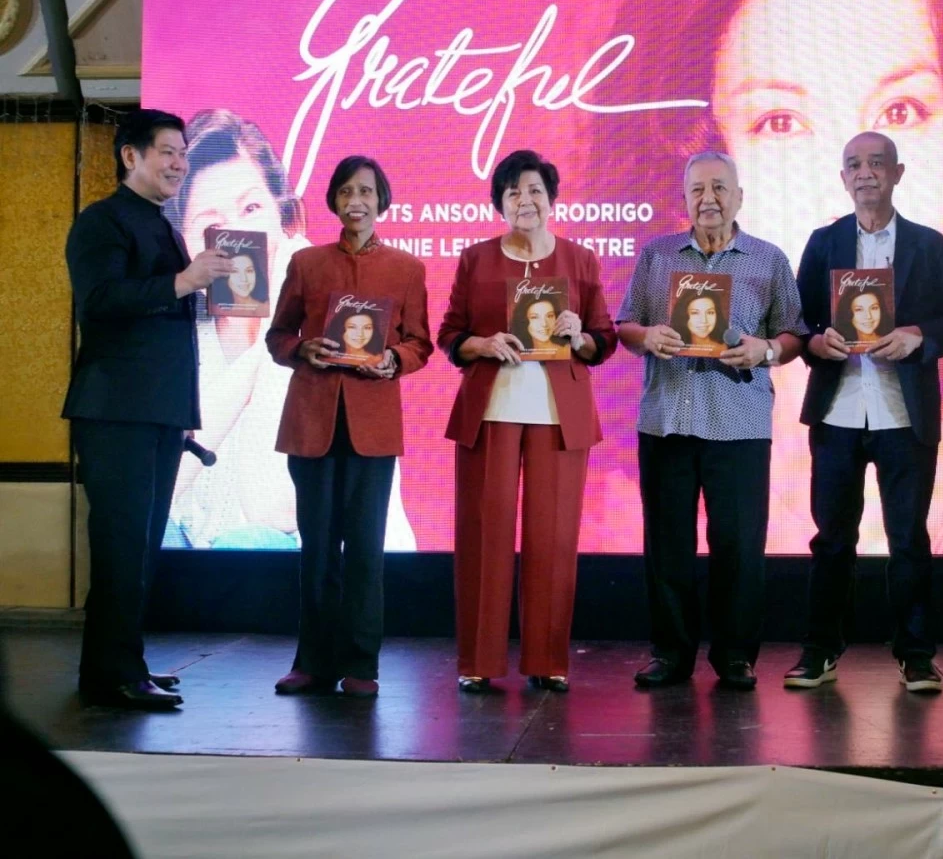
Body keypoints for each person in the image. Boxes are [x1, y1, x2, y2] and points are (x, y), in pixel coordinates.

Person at [587, 0, 943, 555]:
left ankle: (913, 652)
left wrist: (921, 335)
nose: (847, 175)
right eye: (780, 122)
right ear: (702, 152)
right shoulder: (607, 509)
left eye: (901, 110)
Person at [789, 131, 943, 692]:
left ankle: (915, 655)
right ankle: (820, 652)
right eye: (854, 165)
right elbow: (799, 324)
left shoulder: (929, 245)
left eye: (876, 163)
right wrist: (817, 344)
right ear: (843, 178)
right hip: (839, 413)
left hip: (904, 415)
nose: (865, 173)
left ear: (897, 172)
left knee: (909, 540)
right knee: (831, 541)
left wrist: (919, 335)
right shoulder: (823, 243)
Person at [63, 108, 234, 709]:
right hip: (116, 411)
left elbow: (162, 317)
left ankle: (121, 666)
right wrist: (184, 283)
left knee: (141, 550)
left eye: (183, 153)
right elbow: (101, 301)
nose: (178, 163)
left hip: (158, 413)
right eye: (166, 151)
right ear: (129, 156)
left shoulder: (164, 228)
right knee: (120, 546)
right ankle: (111, 674)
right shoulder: (101, 222)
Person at [618, 151, 805, 690]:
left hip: (740, 423)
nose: (709, 199)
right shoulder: (656, 256)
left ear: (740, 197)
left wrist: (765, 350)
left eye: (720, 188)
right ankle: (670, 653)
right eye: (698, 189)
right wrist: (646, 337)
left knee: (740, 547)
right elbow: (626, 323)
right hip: (667, 421)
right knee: (667, 545)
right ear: (684, 199)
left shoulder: (768, 260)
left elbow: (793, 333)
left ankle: (736, 655)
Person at [438, 149, 617, 694]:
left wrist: (577, 333)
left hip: (558, 418)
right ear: (500, 203)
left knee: (553, 539)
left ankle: (547, 658)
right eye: (514, 192)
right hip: (490, 412)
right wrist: (483, 342)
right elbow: (449, 335)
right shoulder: (475, 259)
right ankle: (478, 660)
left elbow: (603, 339)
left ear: (552, 198)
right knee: (484, 537)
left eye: (535, 190)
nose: (525, 200)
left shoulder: (581, 260)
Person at [266, 156, 431, 697]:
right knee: (316, 549)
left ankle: (362, 665)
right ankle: (313, 662)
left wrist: (395, 360)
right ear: (334, 202)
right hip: (313, 421)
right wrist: (302, 349)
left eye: (366, 192)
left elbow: (420, 342)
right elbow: (278, 336)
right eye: (345, 192)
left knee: (364, 549)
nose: (355, 200)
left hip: (373, 428)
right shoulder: (308, 263)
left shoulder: (406, 269)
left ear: (382, 202)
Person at [163, 108, 312, 550]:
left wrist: (280, 325)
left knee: (251, 544)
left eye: (251, 207)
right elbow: (161, 489)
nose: (235, 236)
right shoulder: (173, 334)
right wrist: (258, 351)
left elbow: (276, 510)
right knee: (153, 535)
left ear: (286, 222)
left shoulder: (325, 320)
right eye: (210, 225)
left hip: (284, 548)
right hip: (185, 542)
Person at [513, 291, 571, 359]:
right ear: (524, 321)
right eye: (535, 317)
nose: (544, 324)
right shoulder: (516, 355)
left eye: (549, 316)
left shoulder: (566, 352)